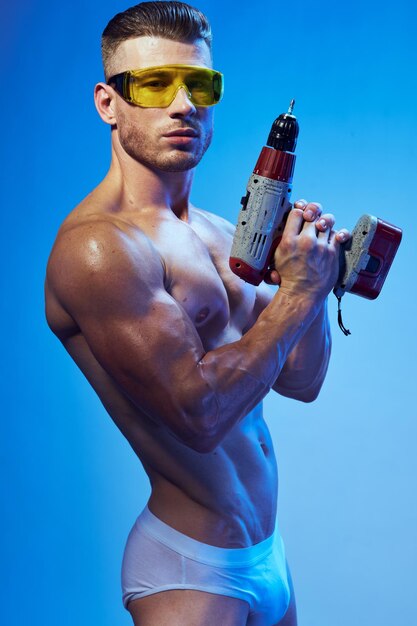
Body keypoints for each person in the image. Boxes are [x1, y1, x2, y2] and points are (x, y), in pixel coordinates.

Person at [44, 2, 350, 625]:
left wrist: (311, 282)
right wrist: (294, 294)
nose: (183, 104)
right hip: (191, 567)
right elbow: (200, 416)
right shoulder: (100, 248)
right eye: (156, 84)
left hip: (267, 550)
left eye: (200, 84)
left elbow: (302, 380)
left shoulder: (217, 231)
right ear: (108, 103)